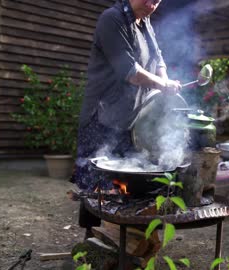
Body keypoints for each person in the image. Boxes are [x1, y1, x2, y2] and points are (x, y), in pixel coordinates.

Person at [72, 0, 180, 263]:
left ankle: (122, 245)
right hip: (101, 117)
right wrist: (162, 85)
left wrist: (163, 81)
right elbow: (129, 71)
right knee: (96, 188)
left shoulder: (146, 24)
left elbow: (158, 59)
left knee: (125, 186)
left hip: (129, 119)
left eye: (157, 0)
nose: (152, 4)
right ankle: (92, 247)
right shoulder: (112, 19)